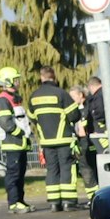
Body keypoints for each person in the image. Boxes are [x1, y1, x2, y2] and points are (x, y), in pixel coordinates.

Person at [28, 66, 78, 211]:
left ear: (41, 78)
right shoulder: (61, 94)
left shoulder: (34, 96)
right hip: (63, 139)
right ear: (54, 77)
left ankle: (54, 203)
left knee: (52, 170)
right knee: (66, 168)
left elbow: (32, 118)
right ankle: (68, 202)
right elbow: (74, 115)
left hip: (46, 141)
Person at [0, 67, 33, 214]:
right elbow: (6, 123)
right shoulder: (3, 99)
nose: (18, 82)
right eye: (15, 79)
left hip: (20, 142)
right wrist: (20, 133)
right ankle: (13, 203)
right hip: (12, 142)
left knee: (20, 173)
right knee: (13, 173)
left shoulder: (15, 98)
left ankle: (20, 201)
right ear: (8, 81)